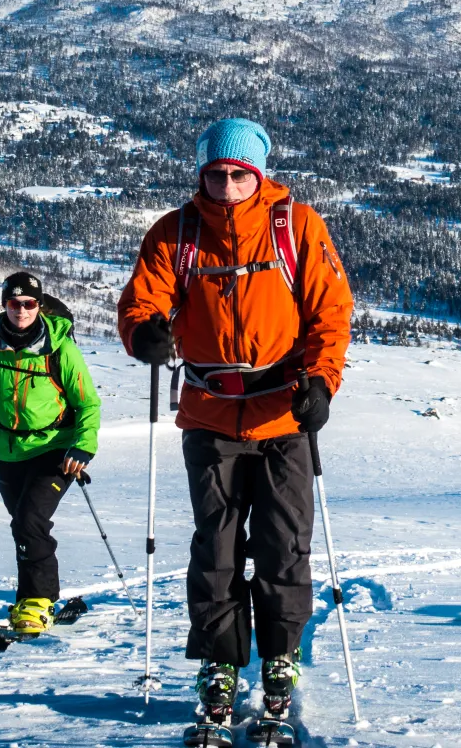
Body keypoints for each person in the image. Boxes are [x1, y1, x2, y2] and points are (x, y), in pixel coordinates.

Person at [117, 118, 353, 725]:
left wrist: (323, 383)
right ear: (203, 173)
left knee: (283, 546)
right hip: (210, 415)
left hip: (284, 412)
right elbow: (142, 299)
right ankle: (220, 664)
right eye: (216, 174)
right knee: (216, 549)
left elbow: (331, 312)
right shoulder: (177, 233)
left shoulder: (297, 228)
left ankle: (280, 657)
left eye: (238, 175)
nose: (226, 186)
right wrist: (143, 332)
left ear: (258, 174)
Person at [0, 272, 101, 634]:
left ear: (39, 305)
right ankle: (33, 595)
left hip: (57, 450)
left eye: (29, 303)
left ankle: (37, 601)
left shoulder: (60, 348)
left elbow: (88, 403)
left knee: (30, 520)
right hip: (8, 451)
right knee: (25, 526)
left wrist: (84, 445)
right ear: (5, 305)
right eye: (14, 303)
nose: (22, 310)